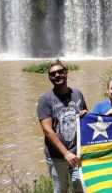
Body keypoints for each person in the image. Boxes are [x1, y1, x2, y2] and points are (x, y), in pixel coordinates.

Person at [37, 62, 88, 193]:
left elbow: (86, 115)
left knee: (81, 188)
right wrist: (65, 153)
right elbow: (47, 130)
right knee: (60, 190)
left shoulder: (77, 94)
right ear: (49, 78)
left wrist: (85, 114)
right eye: (52, 74)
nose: (57, 75)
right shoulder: (45, 99)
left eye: (60, 72)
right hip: (57, 156)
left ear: (66, 73)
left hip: (77, 153)